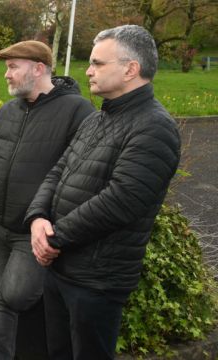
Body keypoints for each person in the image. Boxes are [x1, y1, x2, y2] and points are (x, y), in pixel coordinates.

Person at [25, 25, 180, 359]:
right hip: (60, 268)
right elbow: (58, 170)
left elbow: (122, 200)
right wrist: (37, 218)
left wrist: (54, 238)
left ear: (131, 69)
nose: (88, 70)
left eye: (97, 63)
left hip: (96, 281)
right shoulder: (96, 119)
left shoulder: (155, 127)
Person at [0, 41, 95, 359]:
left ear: (39, 68)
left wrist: (45, 217)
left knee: (13, 296)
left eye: (13, 66)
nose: (6, 74)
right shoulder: (7, 110)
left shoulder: (77, 110)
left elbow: (80, 175)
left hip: (33, 233)